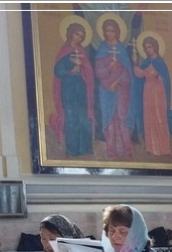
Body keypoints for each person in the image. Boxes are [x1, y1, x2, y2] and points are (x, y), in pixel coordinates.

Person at [50, 20, 95, 157]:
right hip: (69, 89)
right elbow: (58, 71)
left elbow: (89, 71)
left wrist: (82, 66)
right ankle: (73, 150)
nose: (78, 38)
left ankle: (85, 148)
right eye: (77, 34)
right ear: (71, 34)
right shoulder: (64, 52)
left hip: (81, 88)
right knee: (71, 118)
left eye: (81, 36)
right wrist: (70, 71)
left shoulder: (82, 51)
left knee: (84, 117)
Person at [95, 18, 135, 159]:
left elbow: (128, 72)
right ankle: (111, 149)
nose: (110, 33)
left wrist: (117, 82)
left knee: (123, 118)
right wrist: (108, 67)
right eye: (107, 31)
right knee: (109, 119)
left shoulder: (122, 50)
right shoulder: (102, 49)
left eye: (112, 30)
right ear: (104, 32)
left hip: (121, 90)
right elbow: (98, 72)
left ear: (117, 32)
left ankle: (127, 149)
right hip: (106, 91)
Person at [132, 34, 172, 156]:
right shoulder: (147, 62)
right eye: (146, 48)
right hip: (148, 91)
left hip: (158, 92)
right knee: (149, 118)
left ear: (155, 47)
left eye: (150, 47)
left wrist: (156, 75)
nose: (148, 50)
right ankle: (151, 147)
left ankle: (164, 148)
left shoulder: (160, 62)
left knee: (160, 118)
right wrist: (135, 64)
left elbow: (164, 79)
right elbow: (140, 74)